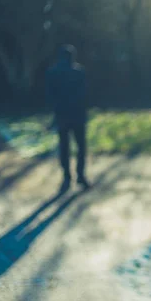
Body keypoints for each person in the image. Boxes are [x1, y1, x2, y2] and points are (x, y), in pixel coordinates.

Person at [45, 44, 90, 192]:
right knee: (80, 147)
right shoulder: (79, 72)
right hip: (77, 115)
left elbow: (50, 96)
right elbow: (84, 94)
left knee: (64, 147)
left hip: (62, 115)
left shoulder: (53, 72)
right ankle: (80, 175)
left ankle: (67, 176)